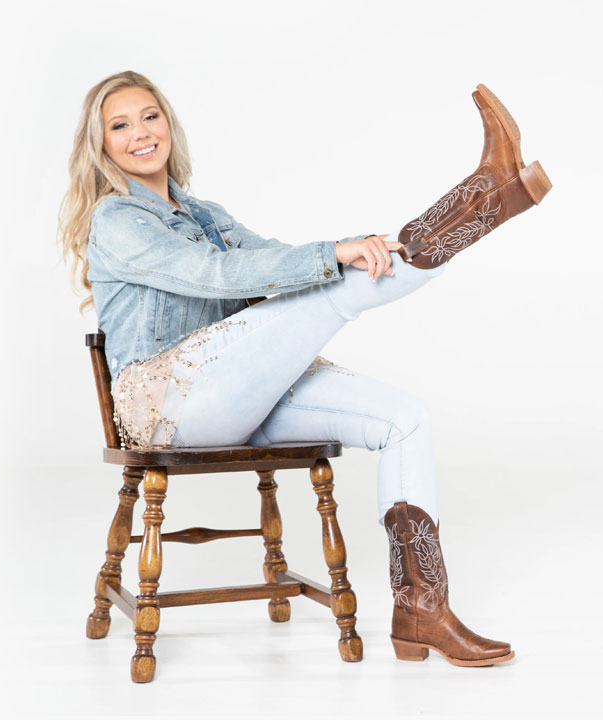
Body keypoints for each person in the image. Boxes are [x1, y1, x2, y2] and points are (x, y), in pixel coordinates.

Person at [57, 70, 551, 668]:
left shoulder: (204, 213)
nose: (141, 132)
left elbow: (268, 260)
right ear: (101, 144)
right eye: (120, 124)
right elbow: (215, 276)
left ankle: (422, 610)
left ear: (168, 124)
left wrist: (350, 247)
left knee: (405, 419)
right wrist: (334, 255)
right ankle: (490, 197)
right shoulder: (117, 221)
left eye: (150, 116)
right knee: (326, 289)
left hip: (239, 396)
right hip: (170, 406)